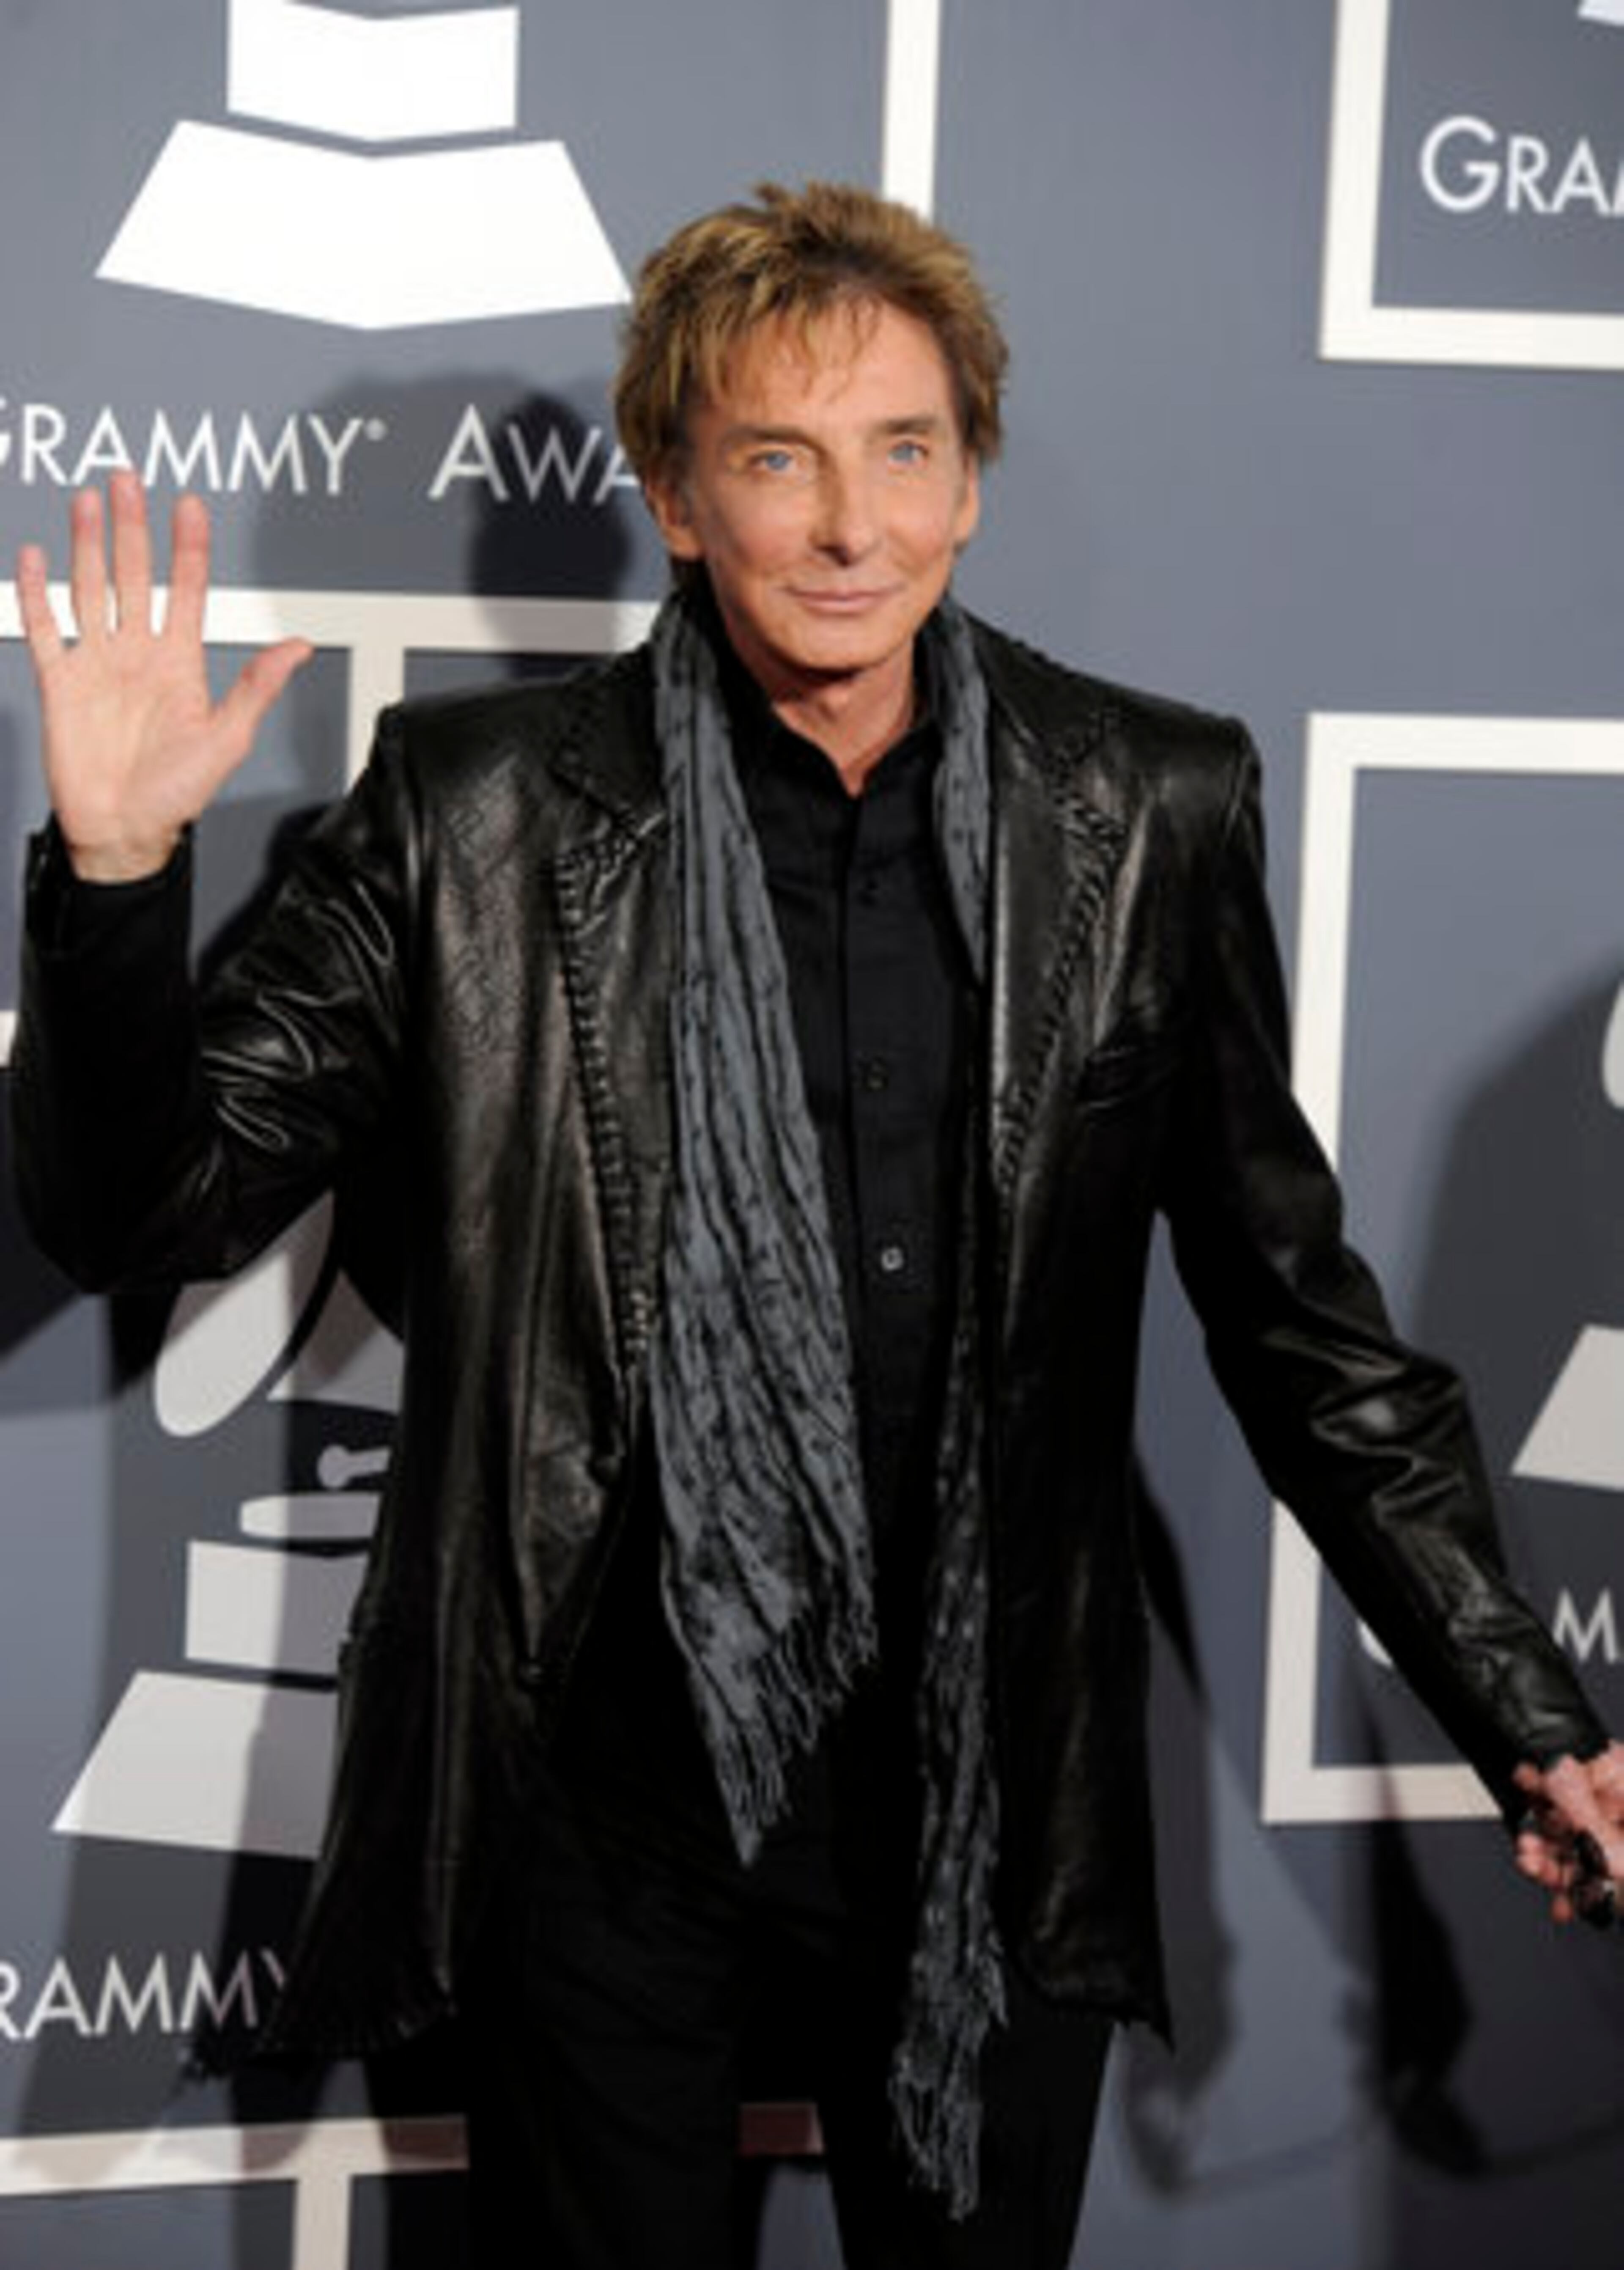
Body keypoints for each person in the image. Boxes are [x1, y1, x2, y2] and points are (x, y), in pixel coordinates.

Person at [10, 180, 1624, 2270]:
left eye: (906, 450)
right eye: (780, 458)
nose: (853, 526)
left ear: (969, 482)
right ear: (677, 496)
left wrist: (1526, 1707)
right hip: (606, 1801)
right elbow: (143, 1208)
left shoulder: (1148, 810)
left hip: (988, 1783)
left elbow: (1301, 1325)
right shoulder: (474, 811)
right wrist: (120, 875)